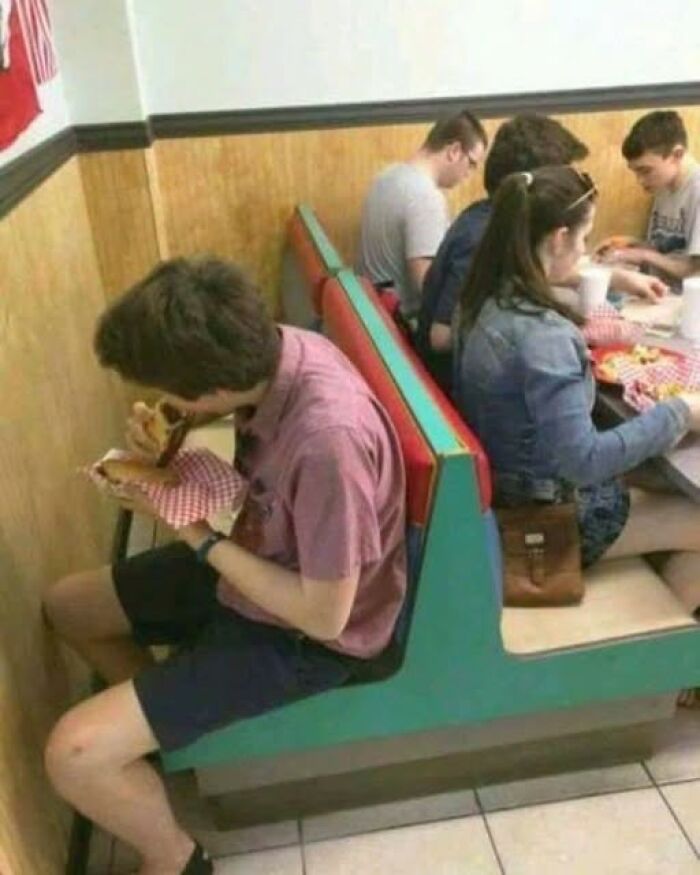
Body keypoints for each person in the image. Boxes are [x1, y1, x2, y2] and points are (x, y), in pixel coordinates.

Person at [42, 257, 407, 875]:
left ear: (212, 385)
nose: (162, 401)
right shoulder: (279, 349)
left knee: (72, 755)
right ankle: (168, 742)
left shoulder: (328, 441)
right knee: (68, 606)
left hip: (310, 635)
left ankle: (177, 857)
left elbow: (326, 617)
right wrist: (172, 431)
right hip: (260, 551)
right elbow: (226, 417)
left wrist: (198, 536)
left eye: (172, 393)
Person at [453, 166, 700, 639]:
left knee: (663, 479)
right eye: (584, 239)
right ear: (559, 237)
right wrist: (681, 411)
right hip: (540, 523)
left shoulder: (484, 297)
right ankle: (659, 654)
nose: (585, 252)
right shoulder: (544, 336)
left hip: (508, 490)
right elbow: (583, 461)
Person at [416, 115, 668, 394]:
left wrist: (614, 277)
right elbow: (441, 337)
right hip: (457, 388)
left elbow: (517, 272)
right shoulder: (480, 238)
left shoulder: (489, 216)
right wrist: (561, 337)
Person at [357, 108, 488, 321]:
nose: (469, 174)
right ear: (454, 151)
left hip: (375, 313)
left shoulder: (387, 175)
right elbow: (428, 290)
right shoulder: (425, 197)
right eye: (471, 163)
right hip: (402, 323)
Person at [606, 110, 700, 284]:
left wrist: (643, 255)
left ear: (677, 155)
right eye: (636, 172)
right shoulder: (663, 183)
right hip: (660, 289)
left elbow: (694, 271)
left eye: (645, 171)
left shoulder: (696, 190)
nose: (640, 181)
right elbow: (664, 251)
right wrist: (631, 245)